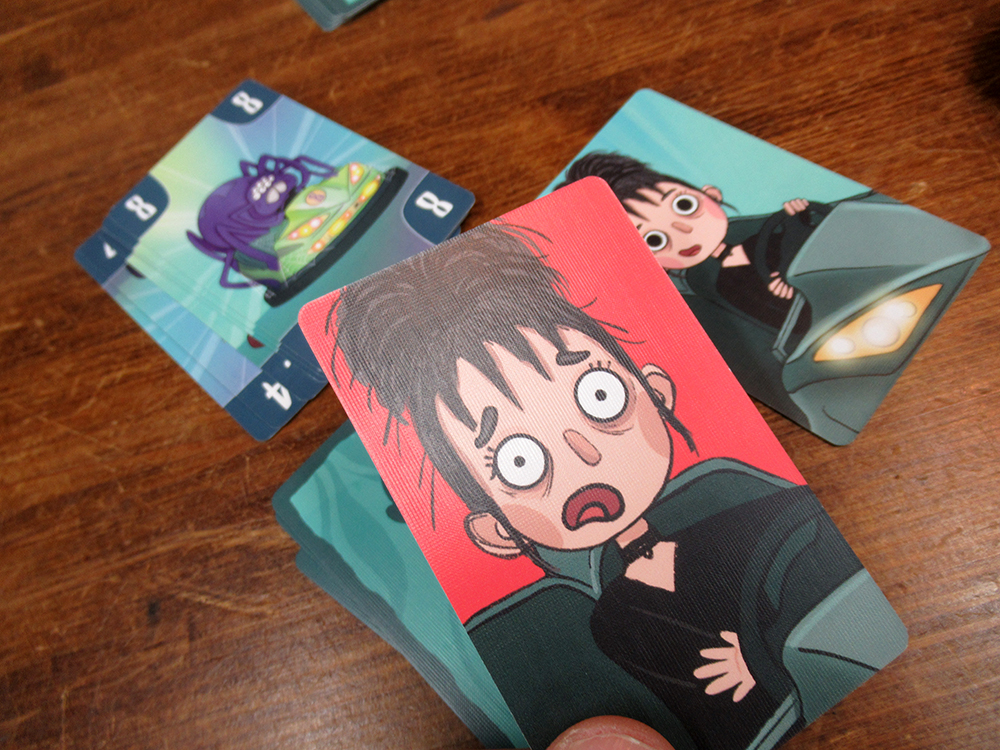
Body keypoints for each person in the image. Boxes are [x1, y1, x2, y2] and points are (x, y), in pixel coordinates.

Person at [330, 221, 863, 750]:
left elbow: (822, 575)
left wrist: (766, 654)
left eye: (600, 398)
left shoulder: (732, 492)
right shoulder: (607, 622)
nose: (585, 456)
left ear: (656, 392)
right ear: (495, 530)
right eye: (520, 462)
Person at [554, 153, 824, 330]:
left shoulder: (767, 227)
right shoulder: (715, 291)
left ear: (710, 193)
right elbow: (783, 326)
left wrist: (799, 218)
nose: (682, 230)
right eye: (654, 240)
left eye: (684, 205)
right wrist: (788, 293)